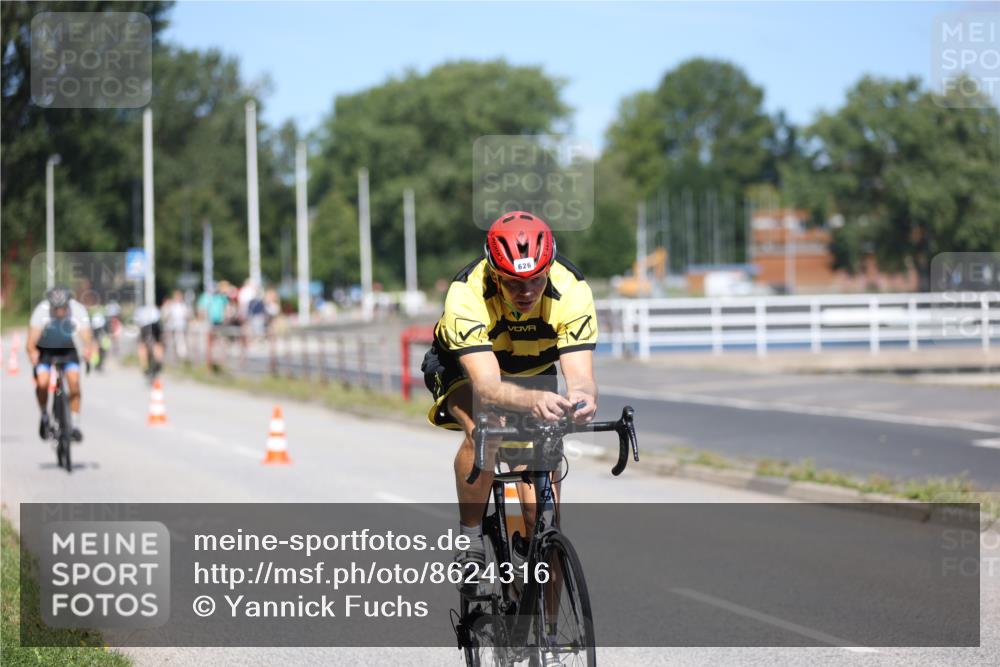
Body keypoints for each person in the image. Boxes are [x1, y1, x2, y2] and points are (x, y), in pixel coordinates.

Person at [422, 211, 599, 597]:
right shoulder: (466, 293)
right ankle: (471, 540)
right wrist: (531, 401)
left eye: (536, 279)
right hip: (465, 369)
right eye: (514, 282)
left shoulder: (572, 290)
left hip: (532, 367)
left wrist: (583, 400)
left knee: (544, 520)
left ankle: (550, 645)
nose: (527, 291)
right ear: (493, 271)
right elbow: (488, 387)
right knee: (487, 430)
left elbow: (581, 376)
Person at [26, 287, 94, 442]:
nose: (60, 312)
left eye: (63, 308)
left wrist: (88, 350)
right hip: (45, 349)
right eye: (56, 309)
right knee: (42, 383)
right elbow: (31, 342)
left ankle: (75, 424)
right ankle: (44, 415)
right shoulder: (41, 312)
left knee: (74, 383)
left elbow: (86, 337)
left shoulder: (77, 310)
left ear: (68, 305)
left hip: (68, 349)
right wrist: (33, 353)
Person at [133, 301, 164, 377]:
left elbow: (137, 323)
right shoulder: (154, 309)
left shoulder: (139, 310)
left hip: (145, 326)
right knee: (158, 344)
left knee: (142, 346)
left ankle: (145, 366)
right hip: (156, 325)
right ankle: (158, 362)